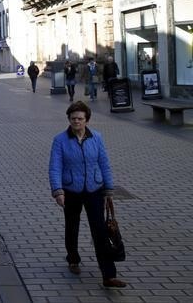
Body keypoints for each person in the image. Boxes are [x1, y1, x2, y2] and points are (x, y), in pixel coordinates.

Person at [49, 101, 127, 288]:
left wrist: (109, 189)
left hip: (94, 190)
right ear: (69, 119)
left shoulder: (97, 138)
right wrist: (58, 191)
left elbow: (104, 163)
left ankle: (108, 275)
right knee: (72, 226)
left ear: (87, 120)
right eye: (73, 118)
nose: (76, 121)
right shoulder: (60, 140)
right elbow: (55, 167)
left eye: (80, 118)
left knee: (99, 231)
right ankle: (73, 258)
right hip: (71, 190)